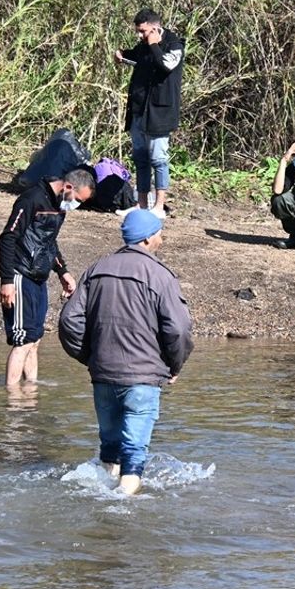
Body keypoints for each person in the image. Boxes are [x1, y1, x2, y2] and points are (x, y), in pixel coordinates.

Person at [58, 209, 194, 495]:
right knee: (133, 454)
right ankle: (120, 513)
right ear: (146, 239)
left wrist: (91, 357)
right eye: (158, 232)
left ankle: (104, 498)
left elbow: (70, 321)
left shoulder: (97, 269)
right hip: (143, 378)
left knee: (109, 449)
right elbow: (179, 329)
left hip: (103, 376)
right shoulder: (160, 275)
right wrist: (175, 365)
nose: (162, 237)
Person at [0, 167, 95, 386]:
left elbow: (48, 242)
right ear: (68, 187)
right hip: (19, 275)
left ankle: (30, 393)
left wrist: (63, 272)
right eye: (78, 200)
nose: (76, 205)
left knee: (36, 339)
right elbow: (7, 238)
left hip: (39, 278)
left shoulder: (60, 205)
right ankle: (11, 401)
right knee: (23, 340)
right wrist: (7, 281)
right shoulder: (32, 199)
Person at [114, 7, 185, 219]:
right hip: (138, 111)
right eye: (138, 31)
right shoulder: (144, 45)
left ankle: (159, 207)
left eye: (143, 31)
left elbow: (165, 66)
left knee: (158, 159)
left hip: (160, 114)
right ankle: (142, 204)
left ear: (155, 28)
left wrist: (154, 45)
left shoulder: (174, 45)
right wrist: (121, 55)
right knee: (141, 158)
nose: (140, 35)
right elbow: (135, 57)